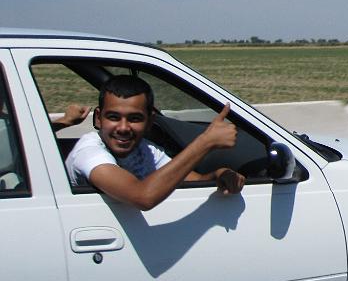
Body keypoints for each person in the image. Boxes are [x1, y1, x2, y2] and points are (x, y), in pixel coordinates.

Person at [65, 75, 244, 210]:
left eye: (135, 119)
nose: (123, 128)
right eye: (113, 117)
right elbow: (142, 197)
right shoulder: (89, 151)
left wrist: (219, 175)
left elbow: (186, 179)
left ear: (150, 122)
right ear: (98, 118)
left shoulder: (145, 150)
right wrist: (205, 142)